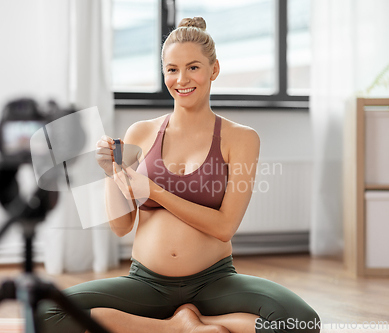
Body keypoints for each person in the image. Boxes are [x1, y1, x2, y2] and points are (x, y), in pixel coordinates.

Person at [39, 17, 321, 333]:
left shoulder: (241, 138)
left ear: (214, 70)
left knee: (303, 323)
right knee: (47, 311)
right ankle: (177, 327)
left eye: (193, 67)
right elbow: (121, 227)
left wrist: (156, 191)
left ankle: (203, 320)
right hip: (146, 282)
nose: (181, 79)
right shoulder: (141, 132)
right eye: (172, 69)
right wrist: (111, 174)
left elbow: (225, 227)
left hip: (214, 282)